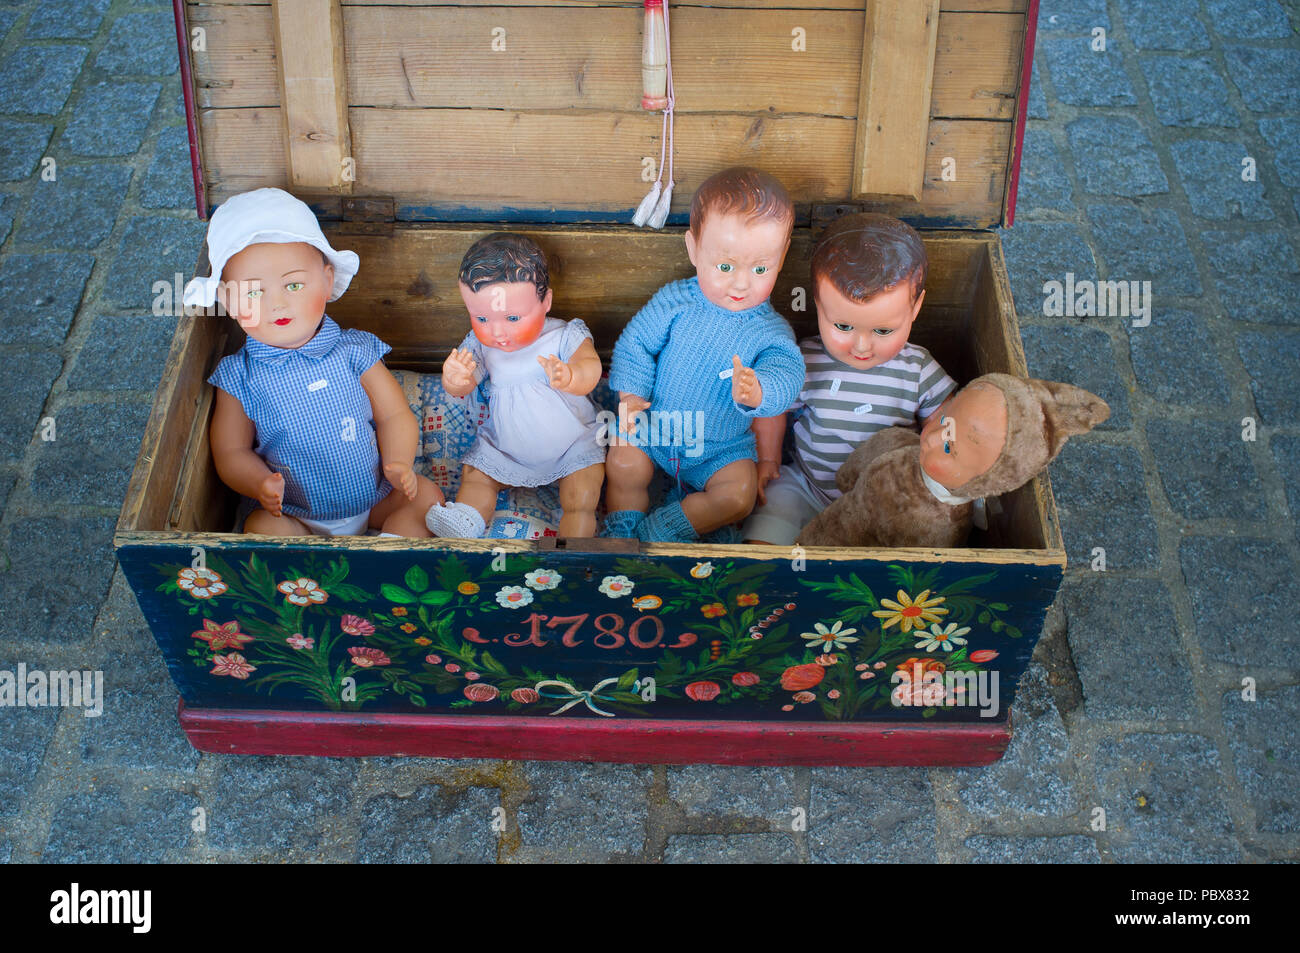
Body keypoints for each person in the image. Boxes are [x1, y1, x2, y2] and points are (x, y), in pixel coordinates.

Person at [185, 188, 443, 537]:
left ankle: (389, 553)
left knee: (426, 496)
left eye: (292, 286)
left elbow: (394, 414)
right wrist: (259, 482)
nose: (277, 304)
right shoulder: (240, 377)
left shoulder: (353, 351)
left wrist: (398, 462)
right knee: (260, 528)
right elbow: (231, 451)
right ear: (228, 301)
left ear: (326, 280)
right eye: (254, 292)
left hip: (373, 498)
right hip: (297, 514)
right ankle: (314, 576)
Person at [602, 167, 806, 543]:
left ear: (783, 255)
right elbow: (636, 344)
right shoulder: (675, 302)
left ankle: (665, 528)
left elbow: (788, 372)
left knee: (739, 496)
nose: (742, 283)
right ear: (694, 248)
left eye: (761, 268)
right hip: (657, 426)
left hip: (722, 447)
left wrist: (760, 390)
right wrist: (631, 394)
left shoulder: (770, 330)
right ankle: (624, 524)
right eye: (725, 266)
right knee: (623, 460)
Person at [743, 212, 956, 546]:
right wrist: (768, 458)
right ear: (817, 303)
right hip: (808, 486)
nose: (861, 346)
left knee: (908, 535)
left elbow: (946, 418)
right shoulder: (805, 361)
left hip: (883, 499)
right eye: (842, 326)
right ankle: (764, 579)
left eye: (883, 330)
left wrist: (941, 458)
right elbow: (773, 407)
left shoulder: (917, 368)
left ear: (915, 308)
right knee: (773, 510)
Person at [425, 233, 606, 538]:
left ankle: (573, 542)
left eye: (511, 317)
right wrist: (455, 379)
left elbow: (592, 367)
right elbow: (464, 387)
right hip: (507, 447)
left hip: (571, 445)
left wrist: (572, 376)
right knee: (477, 473)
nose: (497, 331)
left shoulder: (563, 335)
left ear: (545, 301)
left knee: (582, 490)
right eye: (481, 317)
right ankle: (467, 520)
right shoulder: (481, 347)